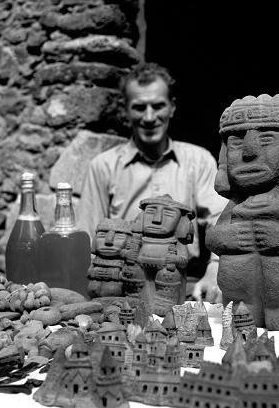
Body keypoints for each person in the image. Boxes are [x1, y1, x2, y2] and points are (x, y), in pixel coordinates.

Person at [77, 62, 227, 302]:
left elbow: (221, 220)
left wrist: (216, 269)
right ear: (125, 110)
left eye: (157, 106)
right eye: (139, 107)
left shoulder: (198, 161)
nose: (149, 117)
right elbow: (87, 241)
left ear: (172, 107)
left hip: (183, 284)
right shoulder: (103, 166)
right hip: (121, 288)